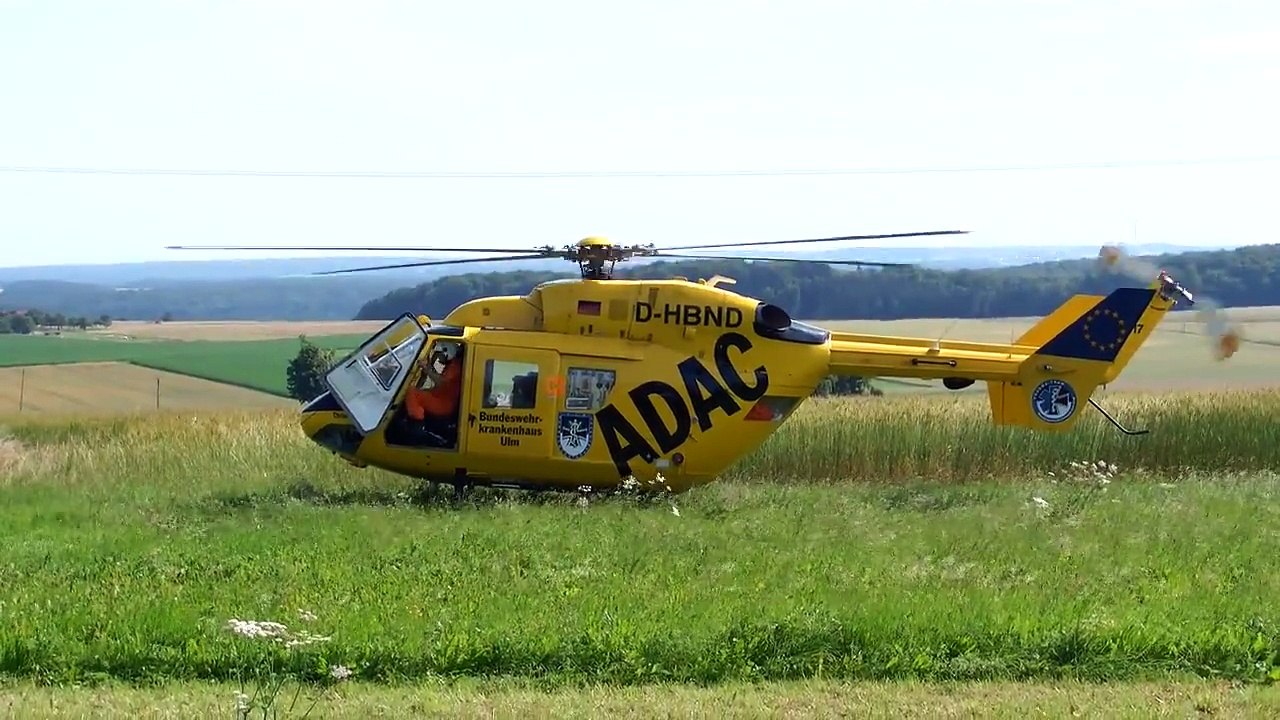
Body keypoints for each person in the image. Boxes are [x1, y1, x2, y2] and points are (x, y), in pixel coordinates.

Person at [405, 342, 462, 435]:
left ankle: (416, 426)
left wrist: (426, 368)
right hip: (444, 399)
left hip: (443, 405)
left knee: (412, 392)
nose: (439, 358)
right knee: (421, 391)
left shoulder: (455, 367)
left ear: (447, 353)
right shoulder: (455, 365)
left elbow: (442, 383)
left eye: (439, 355)